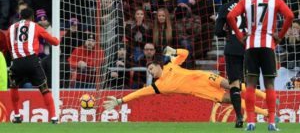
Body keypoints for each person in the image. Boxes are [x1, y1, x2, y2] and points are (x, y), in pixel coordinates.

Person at [103, 47, 268, 119]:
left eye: (151, 68)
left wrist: (173, 51)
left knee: (234, 86)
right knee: (233, 99)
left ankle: (265, 96)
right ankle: (267, 114)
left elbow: (185, 53)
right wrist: (119, 101)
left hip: (204, 77)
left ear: (158, 66)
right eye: (149, 71)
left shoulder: (170, 65)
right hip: (202, 92)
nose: (151, 72)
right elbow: (139, 93)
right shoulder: (158, 86)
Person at [227, 0, 294, 131]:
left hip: (251, 45)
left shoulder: (247, 0)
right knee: (269, 84)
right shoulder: (275, 0)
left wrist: (240, 35)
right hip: (268, 45)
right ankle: (271, 122)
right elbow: (290, 16)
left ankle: (251, 122)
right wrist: (280, 35)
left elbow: (230, 17)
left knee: (250, 84)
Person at [6, 7, 60, 124]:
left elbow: (9, 46)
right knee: (44, 88)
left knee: (14, 87)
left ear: (19, 17)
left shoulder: (10, 28)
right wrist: (57, 39)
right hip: (32, 61)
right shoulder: (35, 26)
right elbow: (54, 42)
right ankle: (54, 118)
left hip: (17, 62)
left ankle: (16, 116)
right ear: (32, 18)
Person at [215, 0, 249, 128]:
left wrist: (229, 34)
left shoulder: (225, 7)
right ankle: (256, 116)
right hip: (251, 47)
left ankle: (239, 116)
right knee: (252, 81)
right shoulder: (254, 6)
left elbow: (217, 31)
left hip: (233, 47)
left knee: (234, 83)